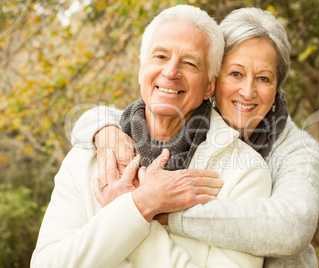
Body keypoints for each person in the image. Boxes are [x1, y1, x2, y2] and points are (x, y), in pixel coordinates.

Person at [72, 7, 319, 267]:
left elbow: (292, 229)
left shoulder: (299, 150)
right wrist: (104, 131)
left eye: (263, 78)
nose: (248, 91)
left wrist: (160, 206)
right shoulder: (193, 123)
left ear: (277, 88)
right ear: (212, 81)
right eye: (235, 74)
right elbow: (120, 115)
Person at [31, 5, 274, 267]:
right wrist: (141, 203)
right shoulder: (88, 156)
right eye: (160, 56)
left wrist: (133, 208)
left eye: (190, 63)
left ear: (209, 86)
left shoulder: (245, 173)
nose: (170, 72)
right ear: (141, 69)